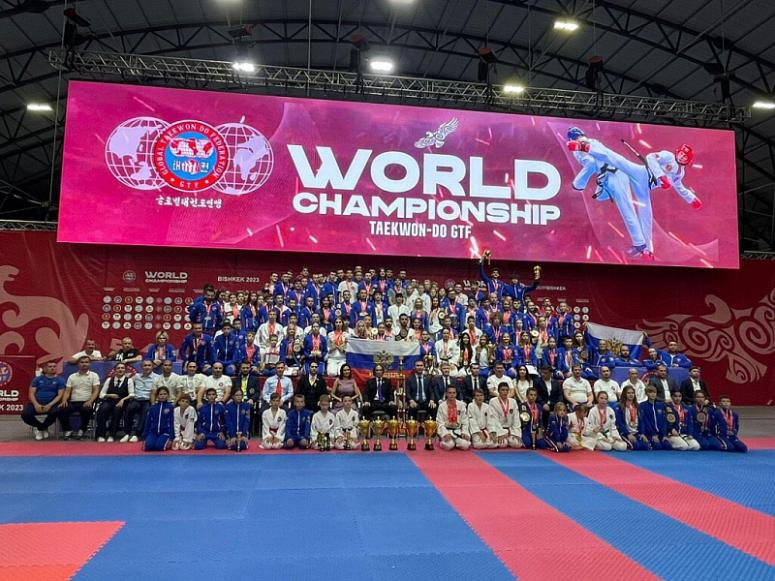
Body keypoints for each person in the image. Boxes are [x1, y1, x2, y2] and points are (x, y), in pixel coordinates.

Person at [21, 361, 65, 440]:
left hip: (52, 404)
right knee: (25, 414)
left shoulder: (60, 380)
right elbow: (31, 393)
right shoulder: (37, 379)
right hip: (36, 403)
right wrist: (36, 404)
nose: (52, 368)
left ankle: (41, 428)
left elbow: (60, 395)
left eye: (54, 366)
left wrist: (49, 405)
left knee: (56, 412)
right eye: (50, 366)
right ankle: (41, 427)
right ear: (45, 369)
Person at [59, 356, 100, 440]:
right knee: (61, 409)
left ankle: (82, 430)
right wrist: (64, 400)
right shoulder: (72, 376)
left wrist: (90, 401)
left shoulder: (94, 375)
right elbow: (67, 391)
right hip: (73, 401)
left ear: (89, 364)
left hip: (87, 401)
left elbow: (96, 391)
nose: (84, 364)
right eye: (82, 362)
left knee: (86, 409)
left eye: (86, 362)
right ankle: (68, 429)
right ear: (78, 364)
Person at [95, 362, 135, 442]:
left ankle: (112, 435)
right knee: (102, 409)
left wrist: (123, 400)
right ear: (115, 370)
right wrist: (109, 395)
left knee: (117, 410)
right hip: (109, 401)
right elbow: (101, 394)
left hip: (122, 402)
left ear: (125, 370)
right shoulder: (109, 380)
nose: (120, 370)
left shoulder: (129, 380)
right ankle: (101, 435)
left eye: (122, 368)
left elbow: (132, 394)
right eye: (118, 368)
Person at [123, 360, 158, 443]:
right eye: (145, 365)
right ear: (141, 367)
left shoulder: (157, 377)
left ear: (152, 367)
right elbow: (127, 383)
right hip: (136, 399)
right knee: (129, 408)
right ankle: (127, 433)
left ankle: (137, 434)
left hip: (147, 400)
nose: (147, 367)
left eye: (149, 365)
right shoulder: (136, 376)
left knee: (145, 411)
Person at [437, 385, 471, 451]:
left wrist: (464, 432)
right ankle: (446, 441)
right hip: (447, 430)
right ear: (446, 394)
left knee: (465, 445)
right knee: (448, 446)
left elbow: (465, 421)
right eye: (450, 393)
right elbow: (439, 422)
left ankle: (456, 442)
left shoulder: (461, 405)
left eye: (453, 393)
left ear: (456, 394)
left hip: (458, 431)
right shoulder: (441, 406)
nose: (452, 395)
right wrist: (445, 434)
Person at [489, 382, 522, 448]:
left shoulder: (513, 401)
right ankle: (506, 438)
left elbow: (516, 419)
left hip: (511, 430)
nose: (505, 392)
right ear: (498, 391)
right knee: (502, 444)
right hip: (499, 429)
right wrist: (501, 433)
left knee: (517, 444)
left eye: (507, 390)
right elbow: (494, 419)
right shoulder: (493, 401)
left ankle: (508, 438)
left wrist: (516, 433)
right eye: (503, 390)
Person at [616, 385, 650, 451]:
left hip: (636, 433)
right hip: (626, 433)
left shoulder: (637, 406)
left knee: (646, 447)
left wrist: (642, 433)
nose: (631, 395)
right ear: (624, 394)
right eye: (628, 393)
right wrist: (627, 434)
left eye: (632, 393)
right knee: (637, 447)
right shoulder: (620, 406)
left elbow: (642, 421)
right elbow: (619, 423)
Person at [142, 386, 174, 452]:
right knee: (148, 447)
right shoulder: (153, 408)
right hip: (153, 433)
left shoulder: (171, 407)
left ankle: (162, 441)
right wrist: (144, 437)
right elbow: (148, 423)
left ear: (168, 395)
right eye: (161, 394)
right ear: (157, 396)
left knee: (159, 447)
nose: (163, 396)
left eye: (165, 394)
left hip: (165, 433)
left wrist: (171, 438)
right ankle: (153, 441)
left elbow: (172, 423)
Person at [639, 385, 672, 450]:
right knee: (658, 447)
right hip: (650, 433)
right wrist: (653, 434)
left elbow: (663, 422)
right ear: (646, 394)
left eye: (654, 392)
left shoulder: (660, 405)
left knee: (668, 446)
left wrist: (664, 435)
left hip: (660, 434)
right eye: (650, 392)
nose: (653, 394)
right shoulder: (642, 405)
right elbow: (644, 422)